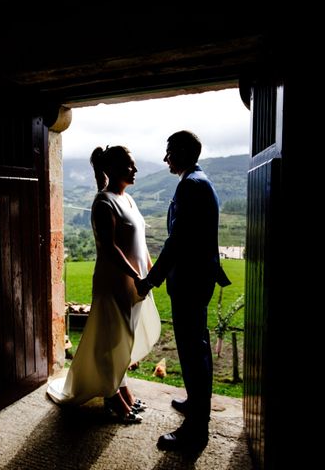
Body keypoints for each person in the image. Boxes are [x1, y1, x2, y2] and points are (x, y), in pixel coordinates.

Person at [47, 145, 160, 423]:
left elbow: (140, 242)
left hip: (136, 281)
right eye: (129, 165)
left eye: (134, 165)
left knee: (124, 340)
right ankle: (113, 399)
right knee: (113, 341)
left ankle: (123, 393)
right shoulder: (103, 202)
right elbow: (109, 248)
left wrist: (150, 271)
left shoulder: (129, 199)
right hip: (115, 282)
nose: (135, 170)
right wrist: (136, 274)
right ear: (112, 169)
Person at [136, 130, 229, 451]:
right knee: (197, 347)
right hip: (197, 280)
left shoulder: (191, 185)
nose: (165, 159)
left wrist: (150, 280)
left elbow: (178, 240)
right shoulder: (198, 181)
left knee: (192, 351)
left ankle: (195, 432)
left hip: (189, 281)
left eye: (170, 152)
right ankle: (196, 404)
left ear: (185, 152)